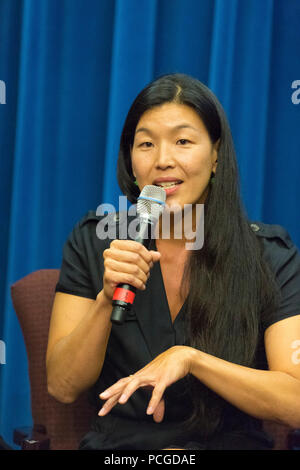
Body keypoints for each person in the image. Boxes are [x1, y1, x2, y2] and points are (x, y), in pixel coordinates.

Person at [46, 73, 300, 450]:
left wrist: (191, 359)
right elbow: (62, 386)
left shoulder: (269, 255)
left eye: (182, 141)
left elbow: (294, 401)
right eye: (146, 144)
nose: (163, 160)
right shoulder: (95, 240)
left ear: (216, 156)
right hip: (123, 451)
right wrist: (105, 299)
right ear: (131, 163)